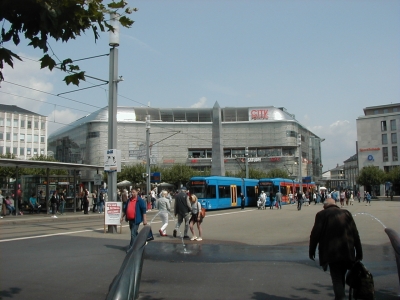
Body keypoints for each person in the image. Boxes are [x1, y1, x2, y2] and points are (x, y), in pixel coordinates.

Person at [309, 198, 363, 300]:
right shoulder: (346, 213)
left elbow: (315, 234)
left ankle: (341, 297)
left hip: (332, 252)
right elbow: (355, 233)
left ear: (325, 206)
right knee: (341, 275)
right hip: (347, 251)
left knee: (337, 277)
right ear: (335, 204)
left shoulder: (321, 215)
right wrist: (359, 252)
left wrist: (312, 250)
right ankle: (339, 297)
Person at [120, 188, 148, 253]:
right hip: (130, 219)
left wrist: (145, 220)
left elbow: (144, 210)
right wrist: (122, 217)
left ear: (137, 192)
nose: (132, 194)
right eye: (131, 192)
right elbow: (125, 209)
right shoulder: (129, 200)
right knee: (135, 233)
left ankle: (131, 248)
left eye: (134, 192)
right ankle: (142, 241)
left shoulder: (140, 200)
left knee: (133, 234)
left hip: (136, 219)